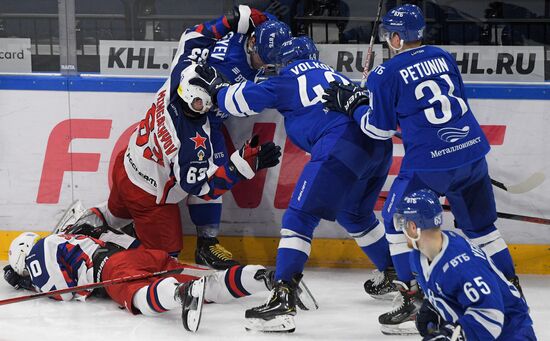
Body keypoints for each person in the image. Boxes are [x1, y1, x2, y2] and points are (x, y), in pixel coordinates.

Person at [322, 4, 520, 334]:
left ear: (397, 37)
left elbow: (379, 130)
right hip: (472, 152)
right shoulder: (443, 56)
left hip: (430, 162)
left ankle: (412, 300)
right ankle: (511, 291)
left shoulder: (387, 73)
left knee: (396, 221)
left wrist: (355, 105)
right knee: (483, 229)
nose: (387, 41)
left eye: (389, 36)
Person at [189, 35, 393, 332]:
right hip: (376, 146)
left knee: (298, 218)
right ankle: (396, 273)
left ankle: (282, 299)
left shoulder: (285, 79)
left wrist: (217, 88)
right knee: (354, 213)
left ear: (283, 62)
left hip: (340, 146)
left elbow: (237, 101)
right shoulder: (335, 74)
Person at [68, 6, 285, 269]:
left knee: (115, 212)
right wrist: (243, 164)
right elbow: (202, 188)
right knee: (165, 262)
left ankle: (90, 223)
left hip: (128, 165)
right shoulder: (193, 139)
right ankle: (104, 243)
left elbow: (192, 37)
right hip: (150, 194)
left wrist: (228, 22)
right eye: (208, 101)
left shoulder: (179, 77)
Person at [3, 227, 317, 332]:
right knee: (215, 283)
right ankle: (269, 277)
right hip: (142, 256)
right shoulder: (66, 237)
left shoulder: (38, 252)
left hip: (113, 269)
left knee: (137, 299)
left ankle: (181, 294)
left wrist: (27, 284)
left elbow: (64, 293)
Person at [393, 189, 535, 340]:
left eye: (403, 223)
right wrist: (432, 305)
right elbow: (447, 284)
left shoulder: (463, 265)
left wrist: (452, 335)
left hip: (510, 333)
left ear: (413, 227)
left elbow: (491, 315)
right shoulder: (420, 254)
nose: (402, 229)